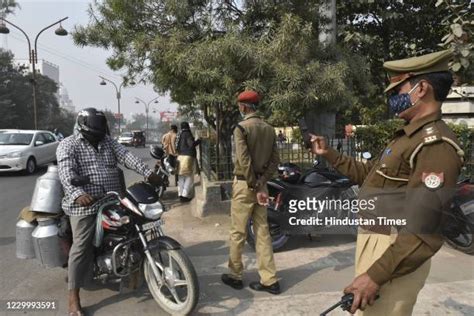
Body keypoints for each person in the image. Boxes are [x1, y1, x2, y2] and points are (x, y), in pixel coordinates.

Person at [310, 49, 463, 315]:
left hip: (394, 255)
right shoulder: (406, 137)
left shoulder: (435, 144)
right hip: (379, 243)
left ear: (421, 88)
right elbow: (370, 174)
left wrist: (376, 275)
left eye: (397, 90)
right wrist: (329, 154)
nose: (392, 97)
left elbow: (424, 230)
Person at [56, 108, 161, 316]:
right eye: (95, 133)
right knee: (81, 246)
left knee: (136, 225)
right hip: (84, 203)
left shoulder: (107, 141)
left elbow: (127, 156)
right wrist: (78, 193)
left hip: (113, 197)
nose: (99, 136)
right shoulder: (68, 144)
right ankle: (73, 298)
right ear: (83, 128)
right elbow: (66, 172)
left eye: (101, 132)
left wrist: (149, 173)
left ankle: (136, 269)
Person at [221, 90, 281, 295]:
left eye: (240, 105)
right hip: (261, 186)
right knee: (262, 232)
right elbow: (275, 161)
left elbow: (244, 161)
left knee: (238, 231)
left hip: (245, 186)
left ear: (244, 107)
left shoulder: (241, 128)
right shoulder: (269, 128)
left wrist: (253, 184)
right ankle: (270, 279)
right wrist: (262, 183)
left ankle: (235, 275)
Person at [175, 121, 200, 202]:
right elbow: (191, 144)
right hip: (188, 157)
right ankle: (185, 196)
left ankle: (180, 194)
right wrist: (199, 141)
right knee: (189, 177)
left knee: (181, 177)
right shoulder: (188, 134)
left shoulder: (179, 134)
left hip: (179, 157)